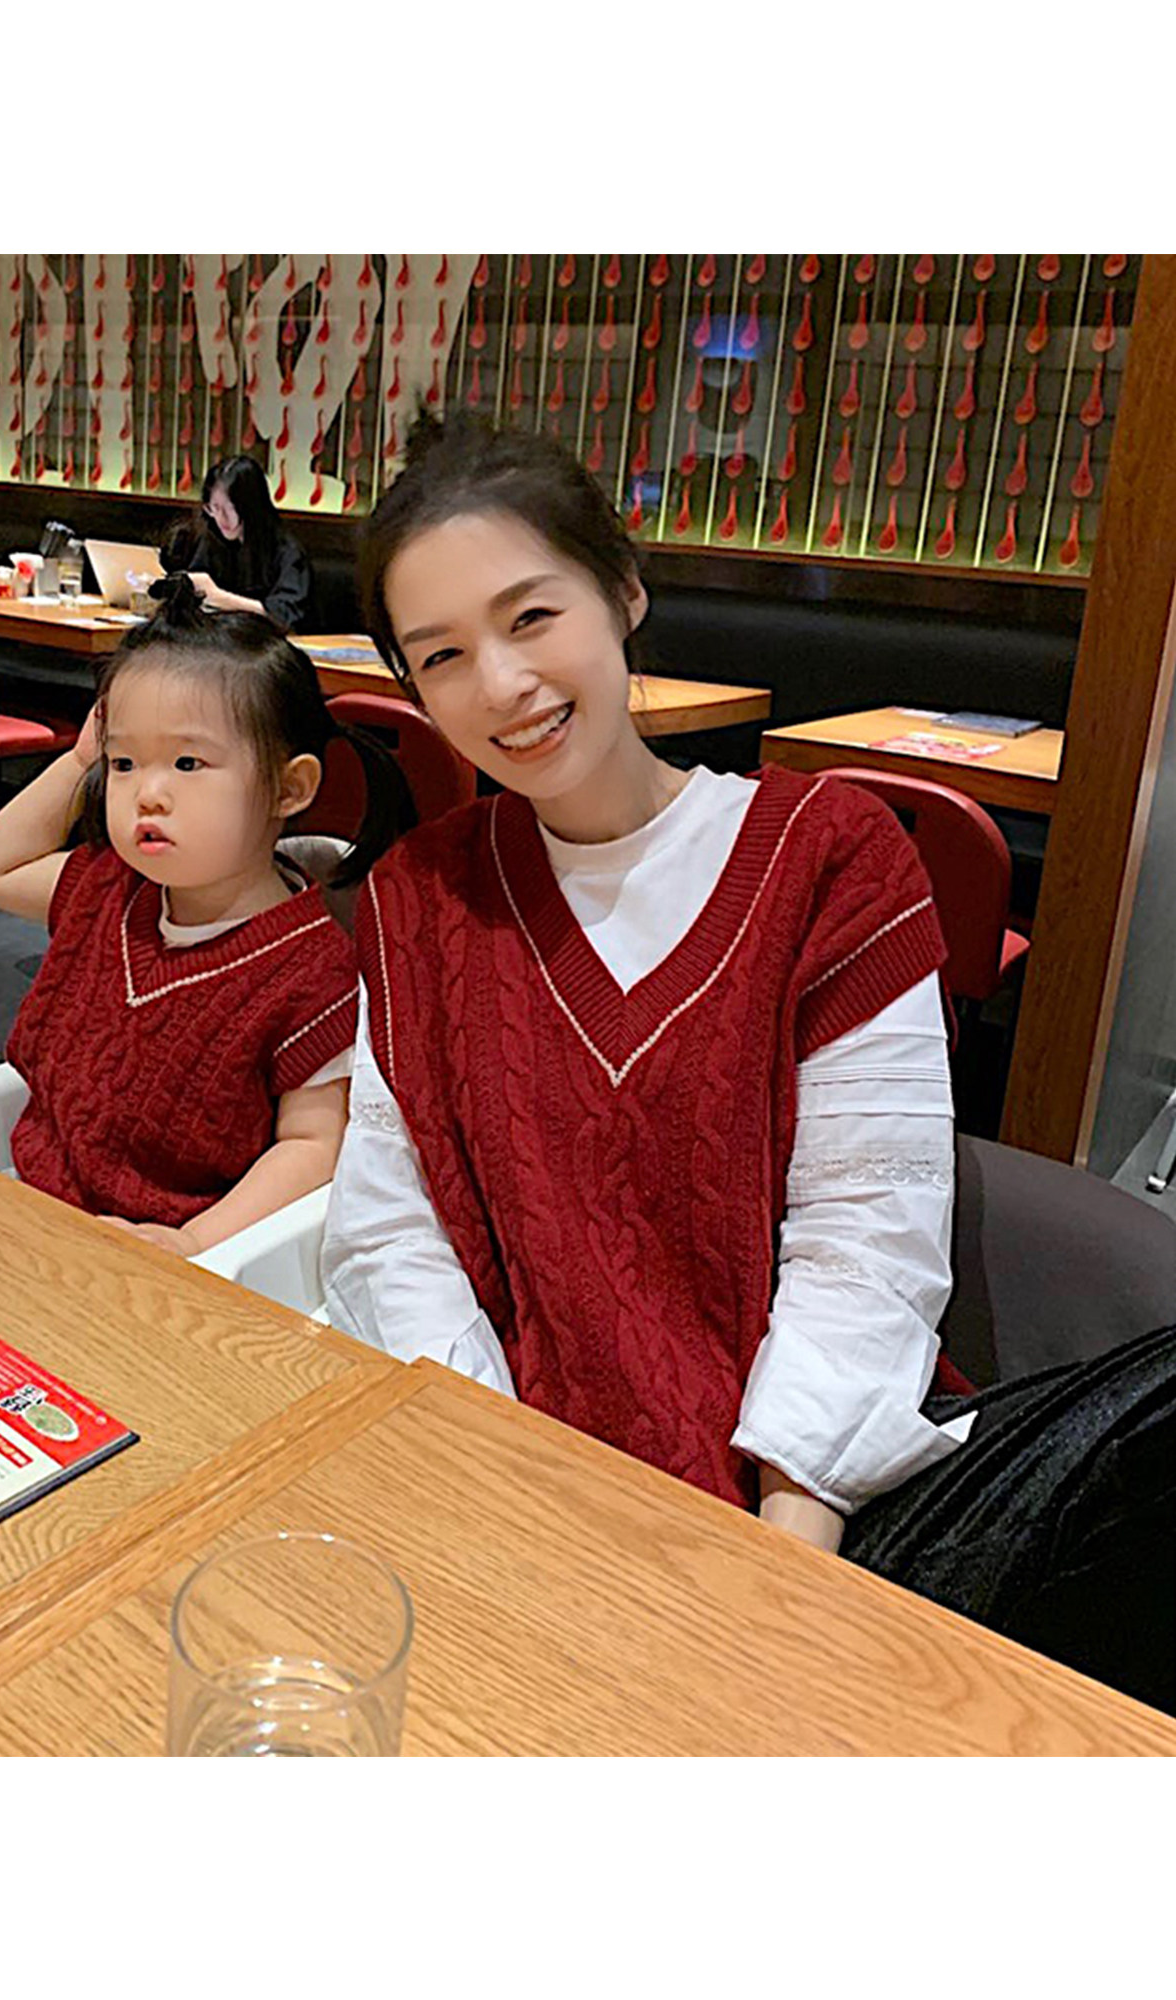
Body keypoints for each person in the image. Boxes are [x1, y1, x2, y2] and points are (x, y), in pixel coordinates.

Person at [320, 414, 1175, 1713]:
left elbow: (865, 1228)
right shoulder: (421, 897)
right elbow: (393, 1229)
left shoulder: (828, 854)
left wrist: (782, 1554)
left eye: (532, 616)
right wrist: (507, 1482)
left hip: (815, 1501)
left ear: (622, 592)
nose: (500, 683)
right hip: (527, 1479)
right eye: (442, 654)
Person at [0, 578, 411, 1259]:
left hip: (168, 1259)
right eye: (124, 762)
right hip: (32, 1217)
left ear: (289, 788)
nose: (147, 793)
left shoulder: (312, 971)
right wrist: (82, 758)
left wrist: (193, 1240)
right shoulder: (110, 888)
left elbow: (314, 1144)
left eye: (187, 762)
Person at [162, 455, 311, 631]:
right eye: (214, 508)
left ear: (252, 506)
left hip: (266, 642)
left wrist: (218, 597)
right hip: (221, 638)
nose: (221, 518)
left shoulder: (286, 550)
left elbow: (285, 615)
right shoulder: (212, 538)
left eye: (230, 508)